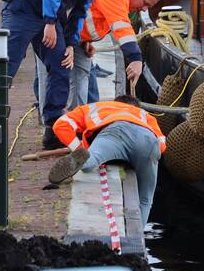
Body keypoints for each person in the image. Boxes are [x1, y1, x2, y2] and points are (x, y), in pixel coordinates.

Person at [2, 0, 134, 148]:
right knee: (7, 64)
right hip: (24, 7)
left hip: (49, 17)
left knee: (61, 63)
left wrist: (71, 44)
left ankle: (53, 130)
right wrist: (50, 22)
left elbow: (80, 13)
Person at [49, 94, 165, 223]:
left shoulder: (94, 107)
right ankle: (139, 239)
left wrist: (80, 148)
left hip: (114, 132)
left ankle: (83, 159)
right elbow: (162, 143)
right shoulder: (144, 114)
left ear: (115, 102)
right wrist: (148, 158)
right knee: (145, 199)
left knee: (89, 162)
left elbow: (60, 125)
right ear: (135, 106)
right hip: (147, 139)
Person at [70, 0, 161, 108]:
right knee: (71, 89)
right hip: (62, 35)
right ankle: (67, 124)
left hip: (78, 39)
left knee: (90, 90)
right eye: (145, 3)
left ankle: (87, 122)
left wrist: (86, 40)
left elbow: (93, 12)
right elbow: (121, 26)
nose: (144, 9)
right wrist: (136, 59)